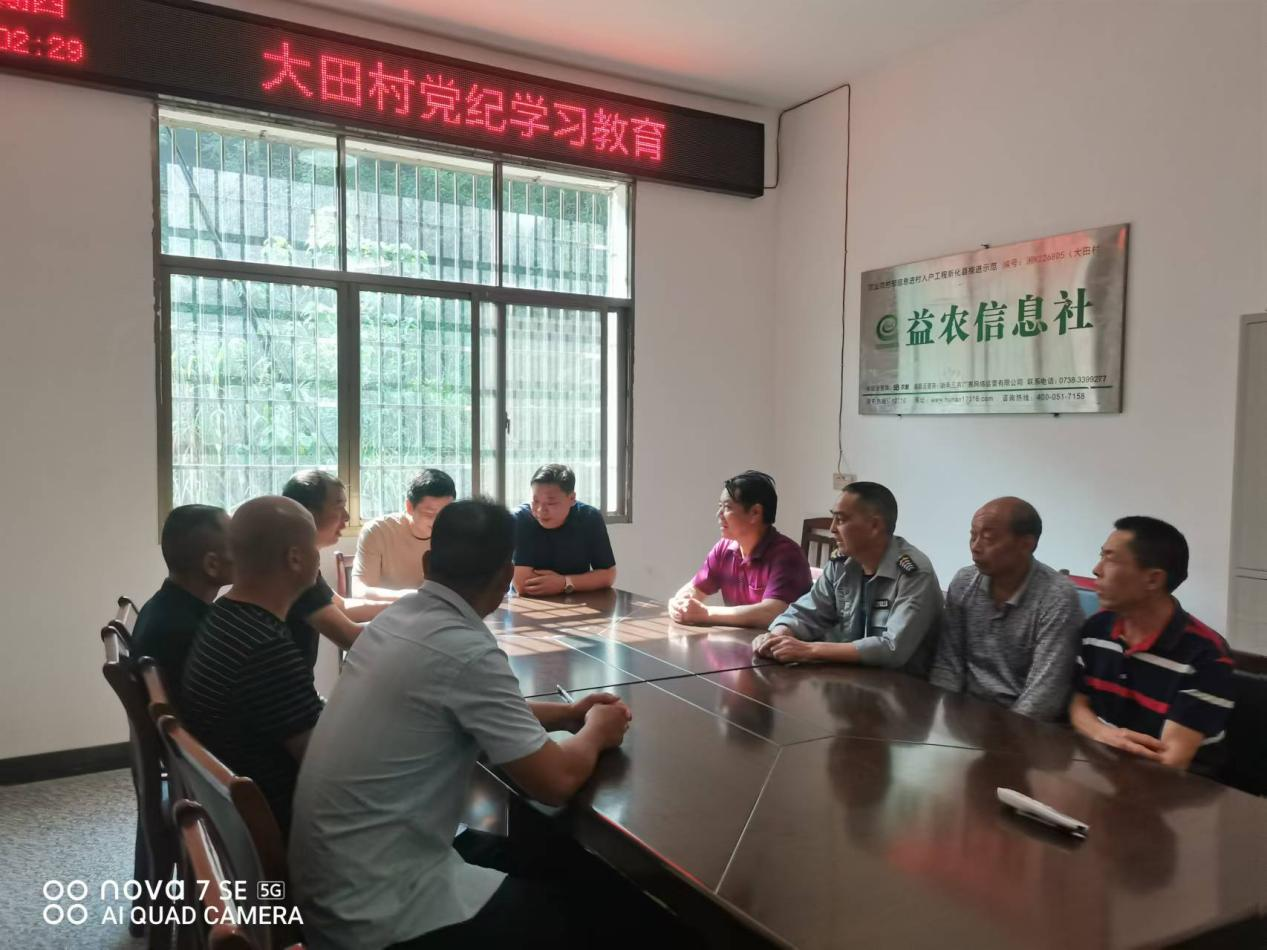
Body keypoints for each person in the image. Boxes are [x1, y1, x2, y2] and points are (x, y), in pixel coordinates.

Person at [290, 500, 653, 949]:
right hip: (383, 915)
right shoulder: (466, 649)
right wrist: (598, 729)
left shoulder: (394, 621)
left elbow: (467, 709)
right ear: (506, 576)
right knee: (603, 912)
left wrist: (568, 713)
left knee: (547, 856)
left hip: (331, 889)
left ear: (428, 564)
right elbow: (555, 782)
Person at [181, 496, 325, 834]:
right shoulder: (265, 646)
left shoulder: (223, 617)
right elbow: (325, 765)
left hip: (234, 816)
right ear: (295, 558)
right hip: (288, 827)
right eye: (316, 547)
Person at [1070, 516, 1236, 774]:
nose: (1096, 569)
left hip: (1177, 789)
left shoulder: (1207, 656)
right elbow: (1079, 704)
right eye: (1101, 556)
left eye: (1110, 559)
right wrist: (1105, 735)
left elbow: (1170, 762)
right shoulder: (1096, 629)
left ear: (1153, 580)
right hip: (1103, 770)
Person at [755, 482, 942, 677]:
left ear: (875, 526)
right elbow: (807, 612)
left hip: (902, 685)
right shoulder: (841, 564)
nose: (832, 528)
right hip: (848, 677)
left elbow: (892, 648)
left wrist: (809, 650)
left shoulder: (914, 573)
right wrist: (778, 635)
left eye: (841, 520)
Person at [929, 497, 1083, 720]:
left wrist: (1005, 735)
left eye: (988, 538)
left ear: (1026, 544)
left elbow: (1045, 695)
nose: (975, 547)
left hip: (1024, 725)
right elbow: (948, 665)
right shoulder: (964, 582)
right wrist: (941, 719)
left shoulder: (1057, 596)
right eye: (973, 535)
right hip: (965, 715)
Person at [668, 471, 812, 628]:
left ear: (755, 513)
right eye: (719, 507)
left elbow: (773, 612)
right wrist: (678, 604)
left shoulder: (787, 555)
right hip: (739, 640)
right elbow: (694, 589)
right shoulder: (724, 548)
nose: (719, 515)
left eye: (727, 507)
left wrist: (706, 614)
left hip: (775, 642)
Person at [282, 469, 387, 667]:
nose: (346, 516)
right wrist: (416, 619)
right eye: (339, 507)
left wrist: (407, 603)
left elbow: (343, 607)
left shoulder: (297, 560)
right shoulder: (293, 570)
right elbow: (350, 637)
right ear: (308, 513)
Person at [131, 504, 232, 695]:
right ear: (212, 565)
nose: (246, 551)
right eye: (237, 544)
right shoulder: (185, 633)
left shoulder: (162, 607)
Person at [512, 464, 616, 596]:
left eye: (551, 503)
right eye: (535, 501)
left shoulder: (590, 518)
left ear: (572, 498)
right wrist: (582, 581)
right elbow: (523, 585)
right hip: (526, 603)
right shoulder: (521, 519)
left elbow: (608, 575)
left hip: (579, 600)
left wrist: (565, 582)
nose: (540, 510)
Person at [352, 468, 456, 600]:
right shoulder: (378, 531)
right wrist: (413, 598)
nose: (439, 521)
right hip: (389, 609)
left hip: (437, 609)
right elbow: (360, 591)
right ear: (409, 507)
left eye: (445, 513)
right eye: (430, 514)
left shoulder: (456, 533)